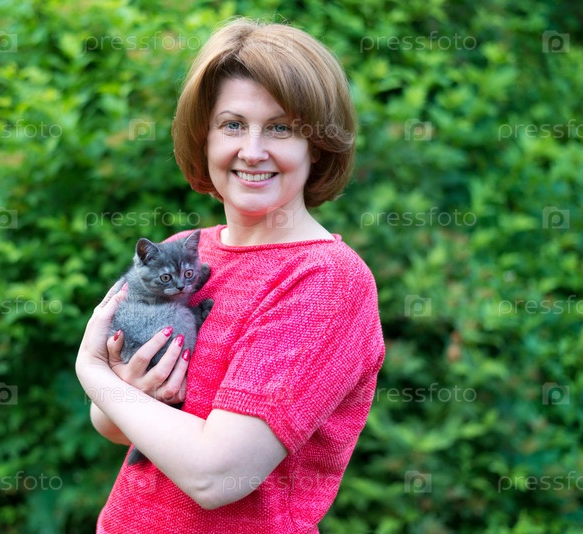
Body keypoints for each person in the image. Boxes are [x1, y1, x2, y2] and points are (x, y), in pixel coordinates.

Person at [76, 17, 385, 533]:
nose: (252, 150)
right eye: (233, 124)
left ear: (317, 144)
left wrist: (92, 371)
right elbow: (110, 423)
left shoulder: (326, 282)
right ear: (204, 137)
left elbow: (216, 476)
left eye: (281, 128)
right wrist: (121, 391)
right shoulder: (183, 252)